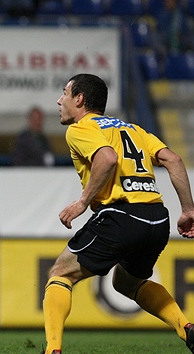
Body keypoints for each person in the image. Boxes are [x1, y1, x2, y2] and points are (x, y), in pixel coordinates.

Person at [42, 73, 194, 354]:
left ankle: (52, 350)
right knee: (127, 283)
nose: (59, 100)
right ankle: (187, 328)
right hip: (157, 219)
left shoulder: (80, 129)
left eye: (64, 93)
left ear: (80, 99)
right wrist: (187, 209)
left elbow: (107, 157)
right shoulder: (133, 129)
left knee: (60, 274)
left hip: (121, 216)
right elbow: (173, 160)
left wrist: (82, 202)